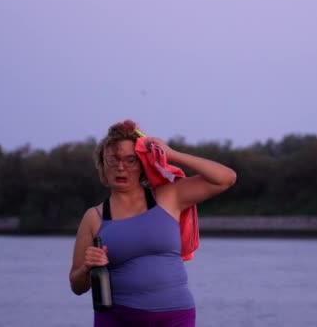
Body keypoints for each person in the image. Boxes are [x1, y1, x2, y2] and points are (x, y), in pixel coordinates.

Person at [69, 120, 237, 326]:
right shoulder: (94, 217)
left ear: (142, 165)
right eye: (113, 159)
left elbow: (226, 178)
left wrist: (171, 154)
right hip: (118, 318)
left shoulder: (169, 196)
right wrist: (87, 268)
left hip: (175, 317)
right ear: (102, 166)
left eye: (131, 160)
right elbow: (76, 286)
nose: (121, 167)